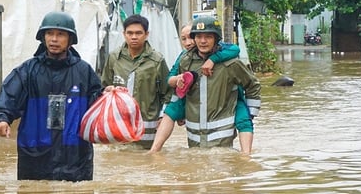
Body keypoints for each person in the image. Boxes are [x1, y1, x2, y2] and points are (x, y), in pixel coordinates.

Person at [0, 11, 103, 181]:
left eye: (60, 34)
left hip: (75, 157)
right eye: (49, 33)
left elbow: (97, 104)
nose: (54, 39)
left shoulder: (84, 72)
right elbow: (8, 98)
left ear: (70, 40)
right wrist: (1, 119)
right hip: (35, 158)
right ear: (43, 37)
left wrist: (109, 96)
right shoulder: (27, 71)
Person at [148, 22, 253, 154]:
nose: (189, 43)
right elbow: (170, 80)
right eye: (184, 39)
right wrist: (179, 79)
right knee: (171, 110)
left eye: (208, 37)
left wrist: (213, 59)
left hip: (229, 98)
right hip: (191, 99)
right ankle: (154, 151)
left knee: (244, 120)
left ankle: (246, 157)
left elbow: (236, 51)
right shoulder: (184, 59)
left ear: (216, 39)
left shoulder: (228, 57)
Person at [177, 15, 261, 152]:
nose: (203, 41)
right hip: (194, 139)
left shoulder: (231, 64)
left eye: (208, 37)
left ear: (216, 39)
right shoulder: (185, 62)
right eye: (198, 37)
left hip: (222, 139)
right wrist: (179, 113)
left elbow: (252, 85)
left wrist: (250, 113)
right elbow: (180, 89)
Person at [100, 14, 173, 149]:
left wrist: (163, 116)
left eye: (138, 33)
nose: (134, 37)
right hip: (118, 130)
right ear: (124, 34)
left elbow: (167, 93)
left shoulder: (157, 61)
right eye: (130, 33)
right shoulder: (114, 58)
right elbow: (104, 86)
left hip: (146, 135)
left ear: (146, 34)